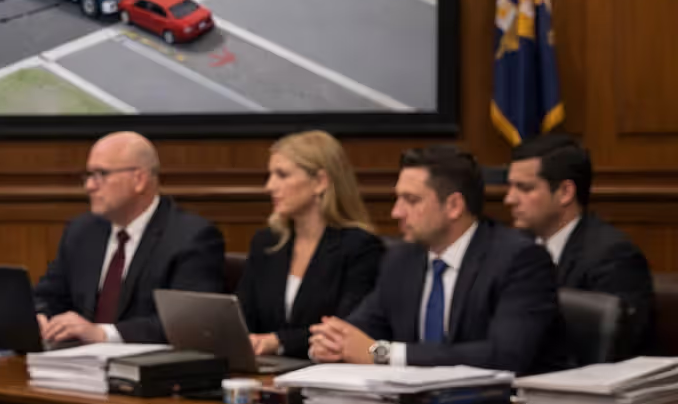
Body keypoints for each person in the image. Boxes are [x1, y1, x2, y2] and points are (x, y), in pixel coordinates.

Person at [309, 145, 560, 374]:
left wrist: (385, 354)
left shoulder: (519, 260)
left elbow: (505, 355)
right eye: (398, 199)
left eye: (412, 200)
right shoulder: (401, 259)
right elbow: (359, 330)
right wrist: (331, 344)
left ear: (453, 206)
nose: (396, 212)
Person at [34, 131, 224, 345]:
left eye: (101, 174)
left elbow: (188, 323)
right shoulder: (82, 231)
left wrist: (104, 334)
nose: (89, 186)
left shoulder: (191, 237)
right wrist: (41, 317)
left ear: (139, 180)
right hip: (74, 367)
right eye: (88, 175)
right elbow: (48, 296)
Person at [238, 131, 385, 359]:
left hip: (327, 374)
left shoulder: (360, 247)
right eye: (270, 175)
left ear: (320, 182)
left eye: (282, 175)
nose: (270, 186)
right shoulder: (267, 242)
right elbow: (242, 318)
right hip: (266, 372)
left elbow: (345, 329)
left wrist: (278, 342)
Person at [506, 133, 653, 355]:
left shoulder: (613, 256)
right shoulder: (512, 249)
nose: (509, 199)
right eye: (510, 187)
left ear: (565, 192)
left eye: (524, 188)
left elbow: (613, 351)